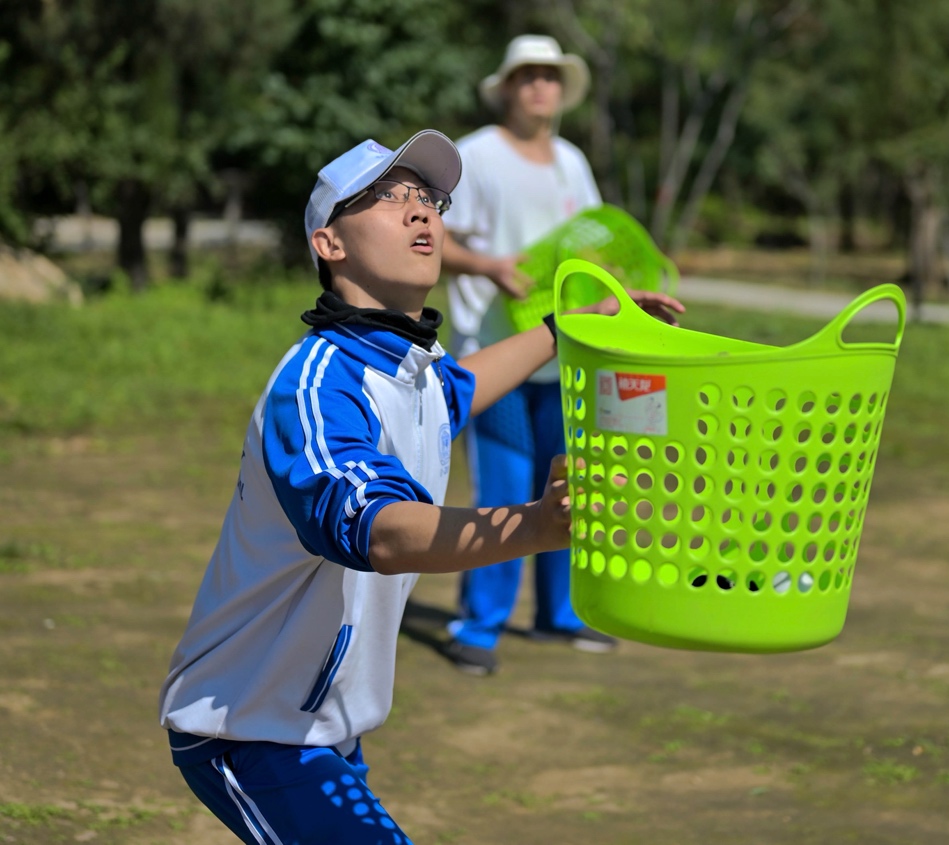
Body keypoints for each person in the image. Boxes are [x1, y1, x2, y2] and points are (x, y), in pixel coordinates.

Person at [157, 130, 683, 845]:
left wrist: (576, 328)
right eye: (386, 197)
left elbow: (460, 386)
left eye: (429, 198)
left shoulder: (415, 370)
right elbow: (380, 531)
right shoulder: (315, 387)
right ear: (329, 243)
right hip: (249, 727)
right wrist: (535, 526)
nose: (420, 212)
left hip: (323, 727)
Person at [440, 34, 613, 676]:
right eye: (527, 76)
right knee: (506, 490)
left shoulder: (571, 162)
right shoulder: (475, 156)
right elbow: (435, 239)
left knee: (569, 484)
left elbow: (592, 242)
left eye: (549, 76)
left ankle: (558, 614)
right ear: (507, 87)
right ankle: (478, 626)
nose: (539, 87)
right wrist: (488, 266)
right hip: (495, 356)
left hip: (563, 358)